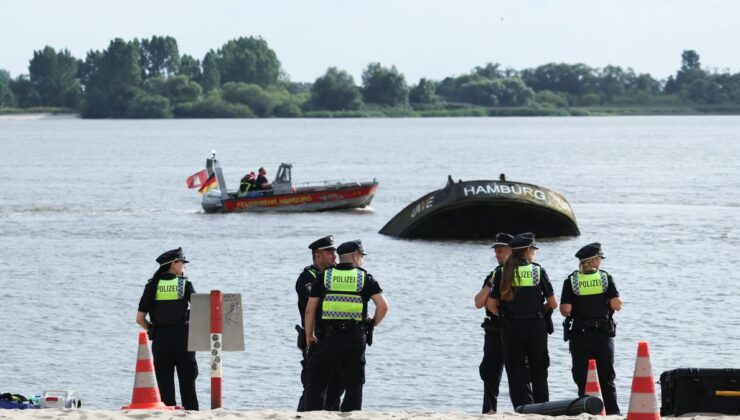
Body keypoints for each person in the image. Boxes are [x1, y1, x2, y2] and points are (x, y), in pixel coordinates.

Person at [304, 240, 389, 412]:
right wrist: (371, 325)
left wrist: (309, 335)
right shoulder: (365, 277)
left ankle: (312, 415)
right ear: (355, 256)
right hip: (355, 338)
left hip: (328, 338)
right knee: (354, 384)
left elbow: (309, 310)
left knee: (317, 383)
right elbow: (383, 306)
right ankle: (351, 414)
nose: (362, 260)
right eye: (361, 257)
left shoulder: (325, 277)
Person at [487, 232, 557, 409]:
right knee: (539, 371)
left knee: (516, 371)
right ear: (527, 251)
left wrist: (504, 318)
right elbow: (553, 303)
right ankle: (542, 408)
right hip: (536, 327)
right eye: (533, 249)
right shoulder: (538, 271)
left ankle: (523, 409)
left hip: (512, 328)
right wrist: (541, 312)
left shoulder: (502, 272)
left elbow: (491, 305)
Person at [560, 243, 623, 415]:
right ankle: (613, 413)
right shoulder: (605, 278)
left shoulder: (571, 280)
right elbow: (616, 305)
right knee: (607, 377)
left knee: (582, 378)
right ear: (594, 261)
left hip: (580, 335)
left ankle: (586, 410)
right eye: (599, 259)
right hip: (603, 334)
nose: (600, 262)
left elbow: (565, 310)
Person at [136, 247, 199, 410]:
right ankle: (191, 414)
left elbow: (140, 319)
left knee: (165, 388)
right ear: (173, 264)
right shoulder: (182, 284)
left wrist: (152, 330)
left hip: (160, 340)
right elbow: (200, 311)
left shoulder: (152, 286)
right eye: (182, 262)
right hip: (183, 339)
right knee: (188, 385)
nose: (185, 265)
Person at [295, 235, 339, 411]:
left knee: (335, 384)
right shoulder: (307, 277)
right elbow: (319, 304)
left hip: (333, 337)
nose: (334, 257)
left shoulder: (334, 276)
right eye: (330, 253)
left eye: (335, 253)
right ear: (318, 255)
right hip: (314, 337)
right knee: (312, 385)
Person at [474, 232, 513, 414]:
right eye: (496, 251)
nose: (497, 255)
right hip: (494, 331)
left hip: (514, 331)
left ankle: (525, 411)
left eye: (500, 251)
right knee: (490, 373)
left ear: (511, 251)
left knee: (519, 375)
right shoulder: (494, 274)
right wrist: (490, 285)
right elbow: (478, 303)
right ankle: (489, 411)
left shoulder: (519, 274)